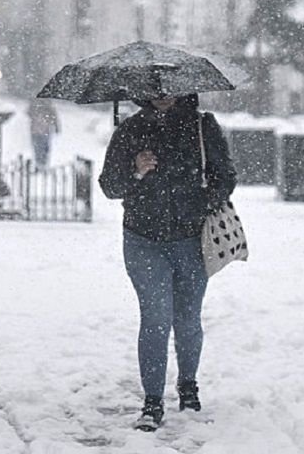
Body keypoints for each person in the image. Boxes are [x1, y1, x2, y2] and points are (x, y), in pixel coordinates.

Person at [99, 93, 236, 432]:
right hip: (143, 240)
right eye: (155, 89)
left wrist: (201, 197)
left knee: (187, 318)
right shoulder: (130, 131)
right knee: (156, 317)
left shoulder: (203, 127)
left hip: (191, 239)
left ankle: (188, 386)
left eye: (169, 89)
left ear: (184, 89)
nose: (162, 96)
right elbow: (109, 186)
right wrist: (135, 170)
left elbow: (226, 178)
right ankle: (152, 401)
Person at [27, 98, 60, 168]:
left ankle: (41, 163)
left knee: (40, 148)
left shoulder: (36, 104)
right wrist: (56, 126)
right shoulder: (46, 104)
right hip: (41, 130)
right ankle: (41, 163)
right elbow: (54, 116)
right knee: (41, 148)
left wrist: (56, 126)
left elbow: (29, 113)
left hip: (39, 130)